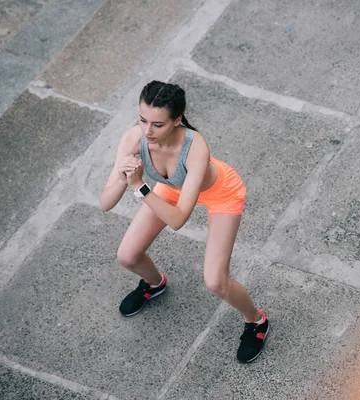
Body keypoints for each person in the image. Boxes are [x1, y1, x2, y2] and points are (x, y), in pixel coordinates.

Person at [99, 80, 269, 363]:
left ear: (178, 121)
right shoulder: (133, 139)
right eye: (143, 120)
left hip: (221, 194)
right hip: (171, 188)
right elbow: (105, 203)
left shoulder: (195, 147)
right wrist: (123, 175)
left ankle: (257, 320)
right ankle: (154, 284)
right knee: (127, 256)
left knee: (216, 281)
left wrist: (140, 185)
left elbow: (178, 219)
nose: (148, 132)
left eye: (158, 124)